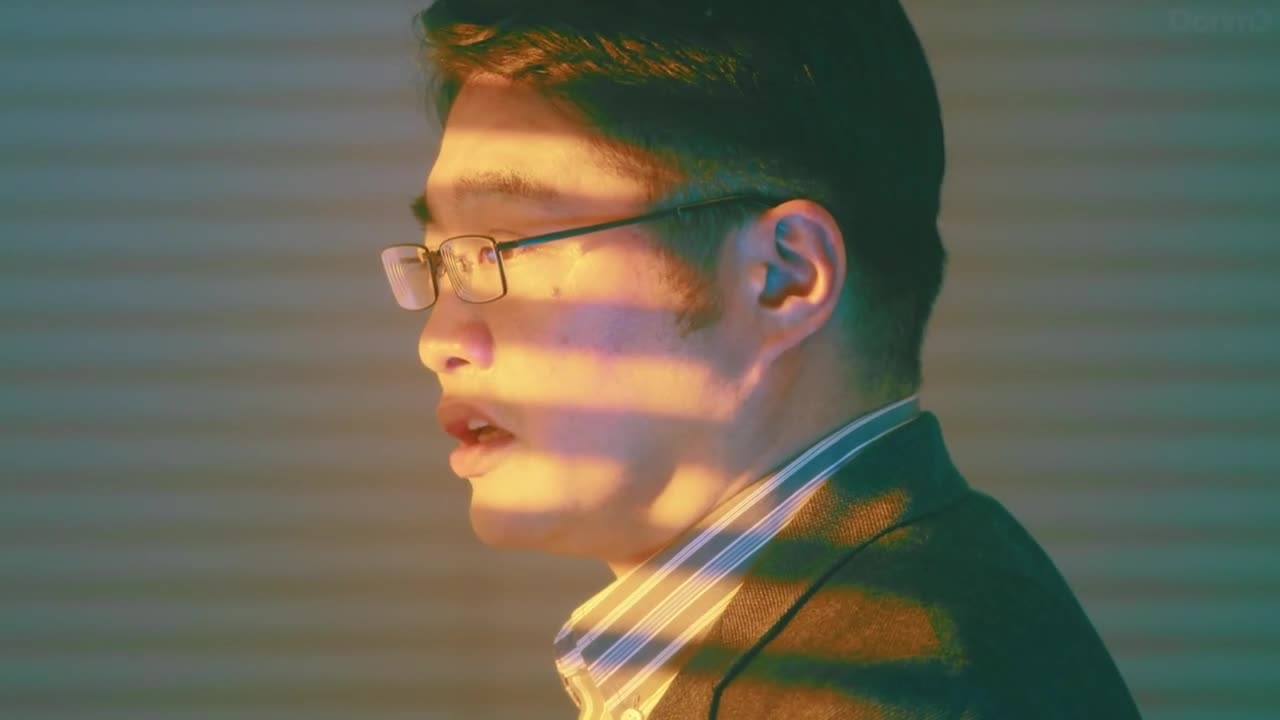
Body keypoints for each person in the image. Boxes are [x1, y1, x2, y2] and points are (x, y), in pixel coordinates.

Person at [378, 1, 1143, 717]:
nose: (439, 342)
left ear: (783, 277)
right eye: (440, 261)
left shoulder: (887, 691)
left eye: (499, 248)